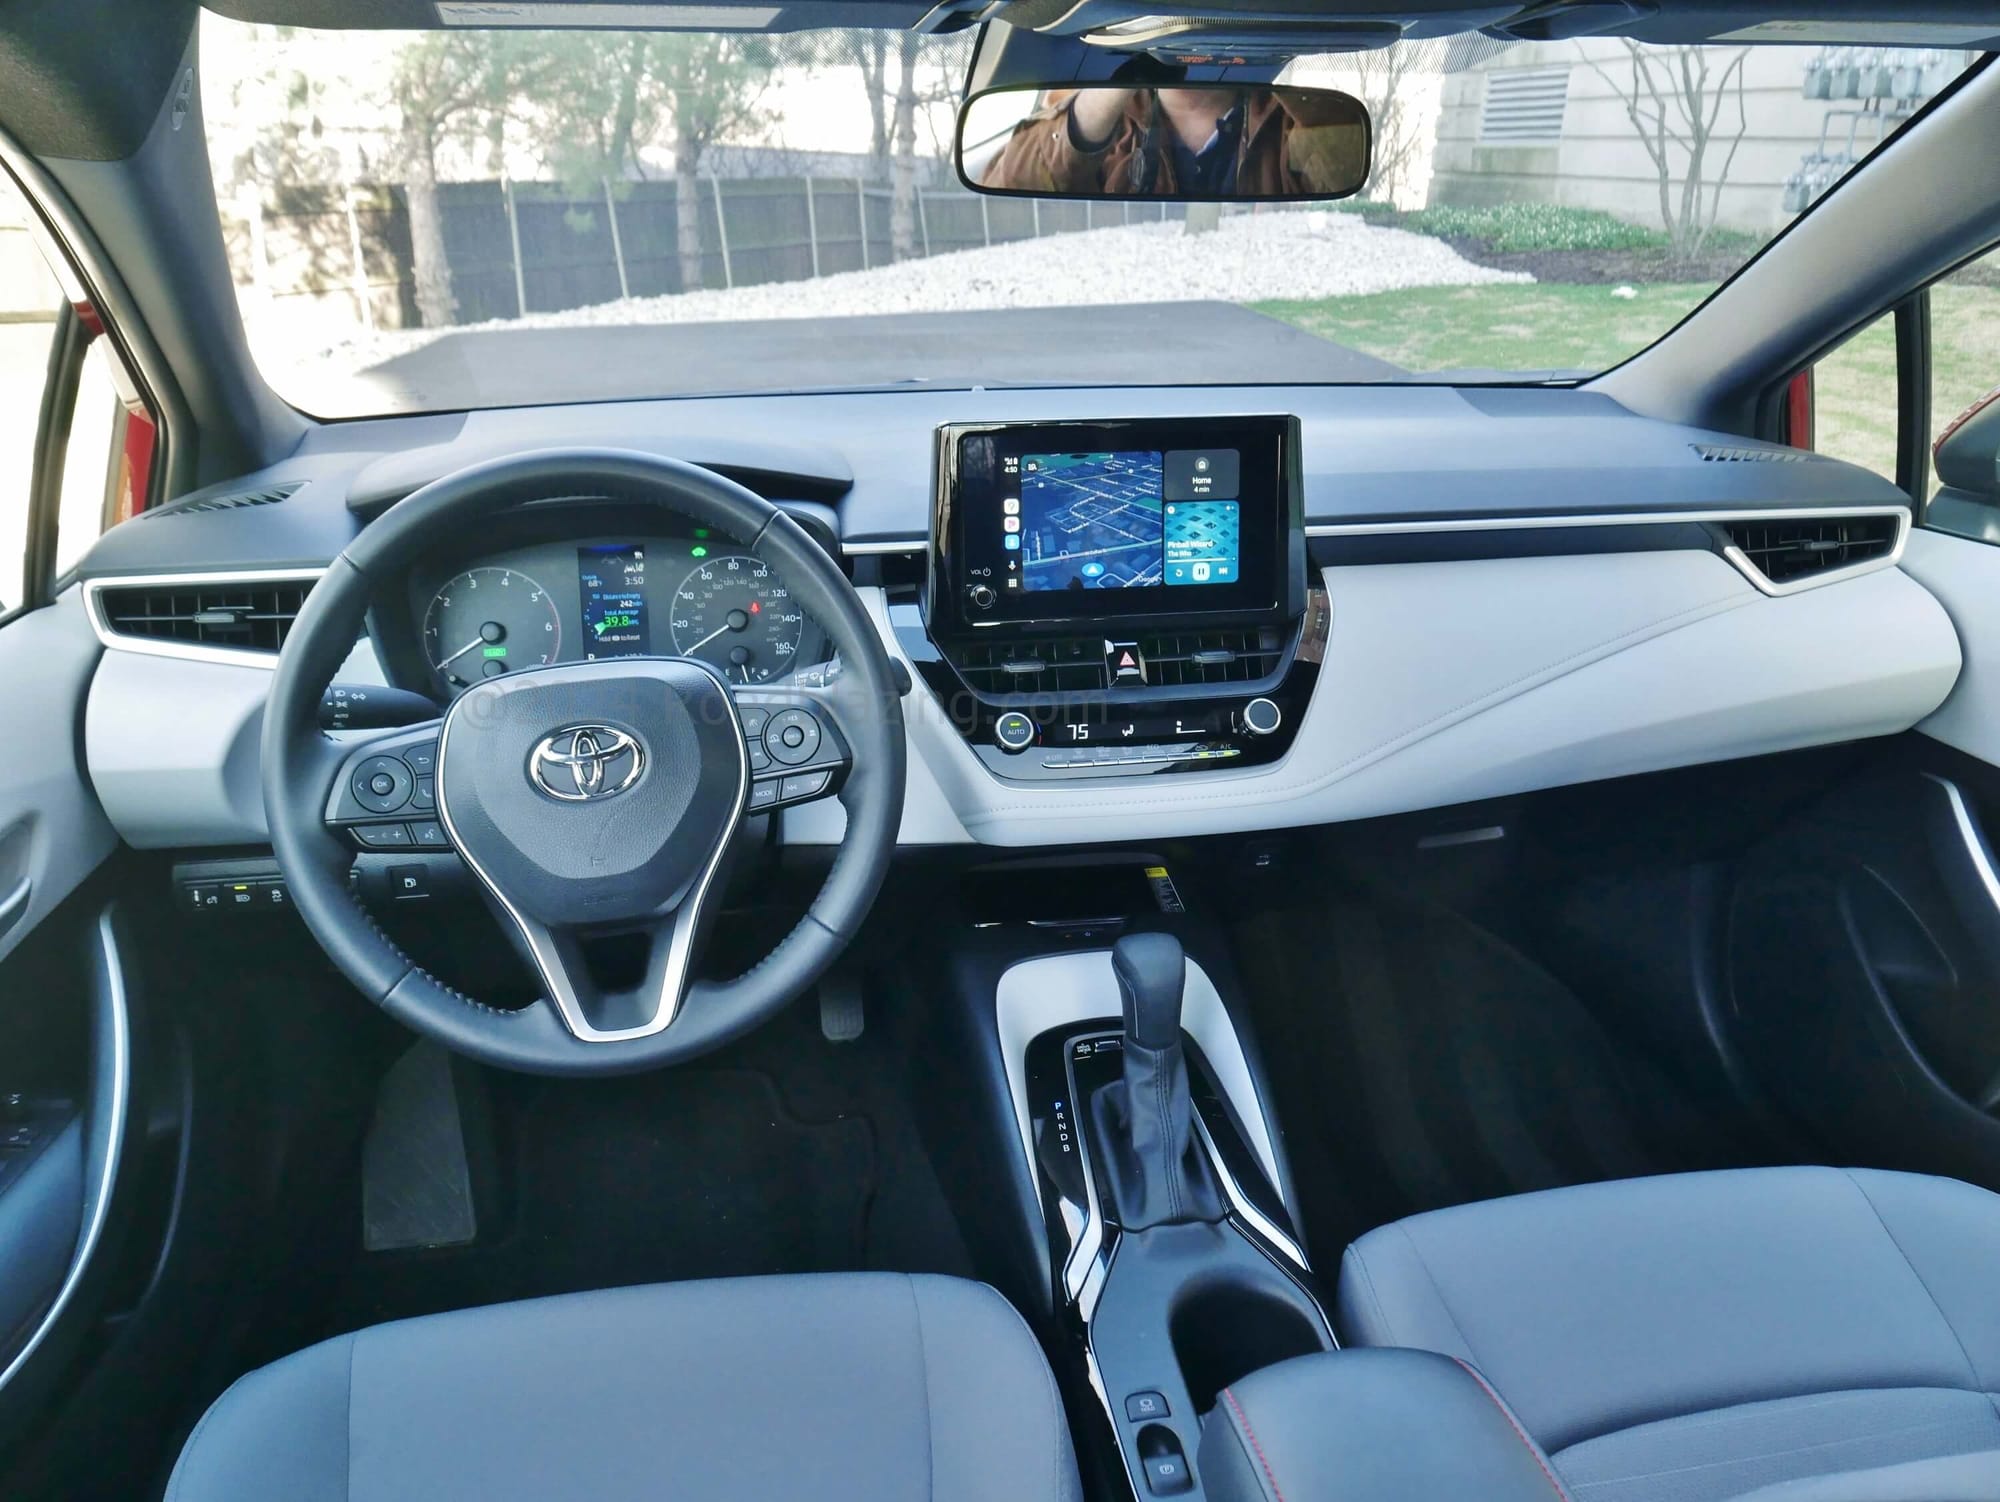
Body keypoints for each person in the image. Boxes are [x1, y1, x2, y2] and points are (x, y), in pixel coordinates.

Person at [979, 85, 1366, 198]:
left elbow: (1342, 176)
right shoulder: (1106, 123)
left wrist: (1276, 59)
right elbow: (1006, 189)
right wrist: (1111, 81)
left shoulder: (1291, 125)